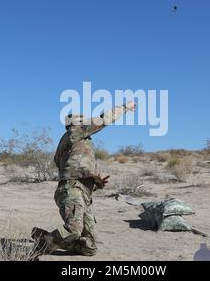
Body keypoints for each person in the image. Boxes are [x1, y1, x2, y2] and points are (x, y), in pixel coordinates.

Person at [31, 101, 136, 256]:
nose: (88, 122)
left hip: (82, 194)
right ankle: (42, 244)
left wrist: (95, 181)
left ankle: (47, 237)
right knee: (73, 230)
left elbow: (72, 166)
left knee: (90, 247)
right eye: (84, 120)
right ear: (76, 124)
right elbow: (104, 119)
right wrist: (126, 107)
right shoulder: (75, 133)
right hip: (72, 190)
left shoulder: (74, 142)